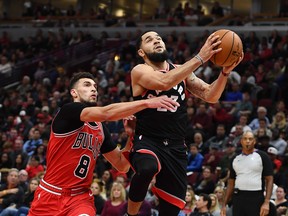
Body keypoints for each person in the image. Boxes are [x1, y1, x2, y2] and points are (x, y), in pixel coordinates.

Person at [28, 72, 179, 216]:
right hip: (51, 194)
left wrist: (131, 137)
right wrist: (146, 102)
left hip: (80, 198)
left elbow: (122, 165)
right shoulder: (68, 111)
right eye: (87, 85)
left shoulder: (99, 127)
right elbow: (106, 113)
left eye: (95, 86)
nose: (93, 89)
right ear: (74, 93)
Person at [126, 30, 243, 216]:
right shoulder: (140, 70)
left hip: (176, 146)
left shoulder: (181, 71)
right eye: (149, 40)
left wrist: (225, 73)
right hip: (148, 140)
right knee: (147, 167)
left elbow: (210, 95)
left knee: (172, 210)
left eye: (159, 38)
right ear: (142, 52)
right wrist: (200, 57)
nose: (156, 41)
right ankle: (130, 214)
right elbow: (164, 82)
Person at [220, 131, 274, 216]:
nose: (247, 141)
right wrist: (224, 205)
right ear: (241, 141)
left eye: (250, 139)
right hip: (238, 197)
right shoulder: (235, 158)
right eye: (245, 139)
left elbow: (269, 180)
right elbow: (230, 184)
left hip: (256, 197)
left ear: (254, 141)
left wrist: (266, 202)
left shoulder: (263, 156)